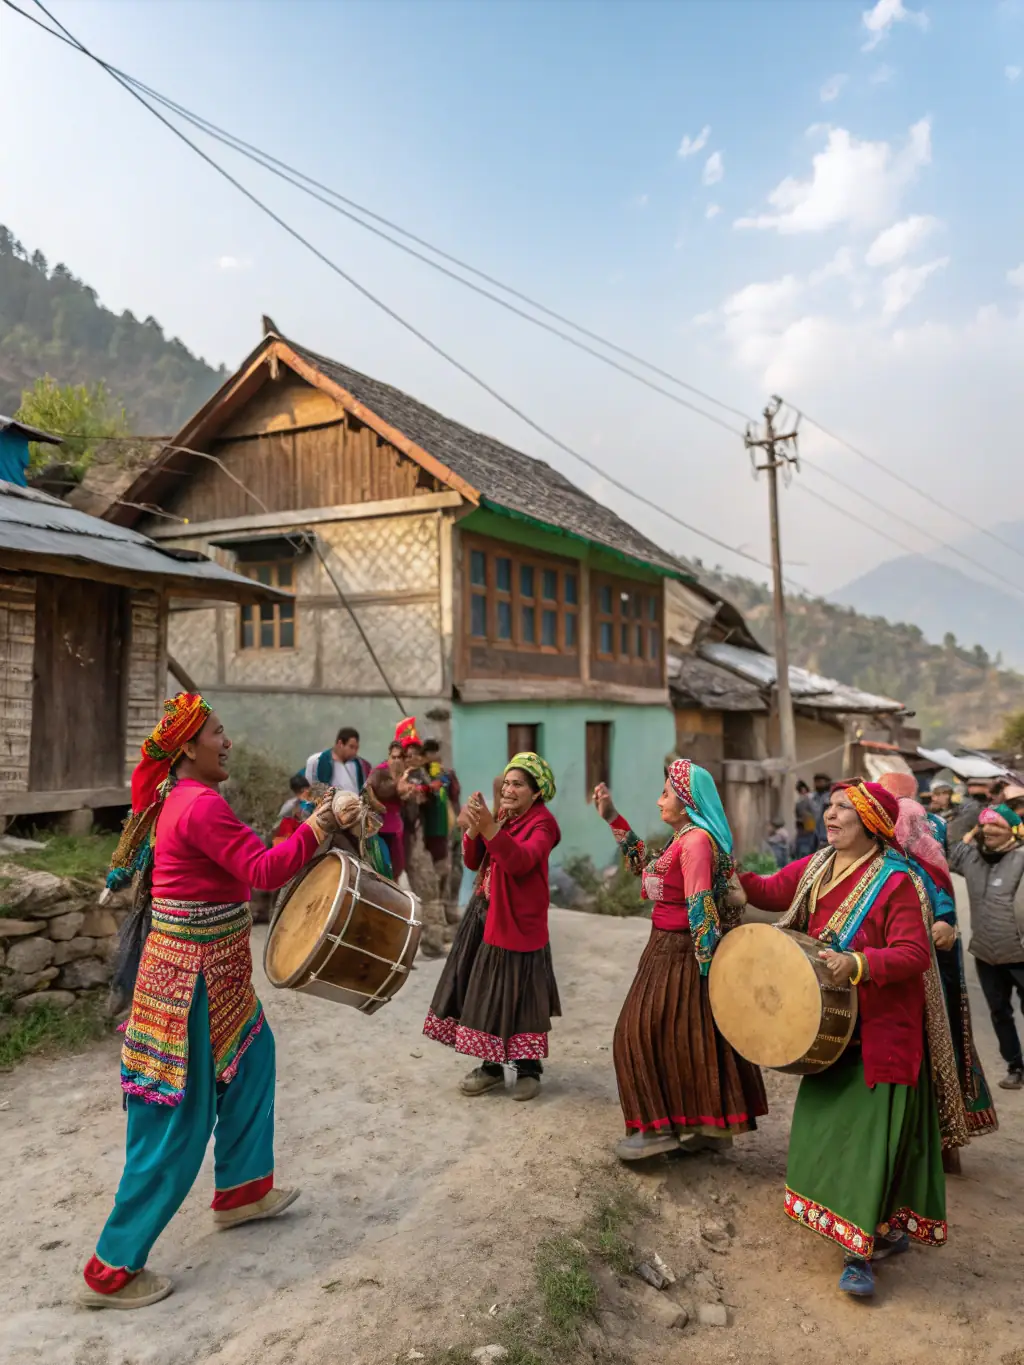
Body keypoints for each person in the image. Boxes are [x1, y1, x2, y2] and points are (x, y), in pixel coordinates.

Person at [78, 694, 333, 1310]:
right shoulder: (199, 806)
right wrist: (319, 827)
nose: (228, 741)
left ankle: (243, 1190)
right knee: (175, 1122)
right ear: (189, 747)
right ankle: (111, 1268)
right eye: (219, 733)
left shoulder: (183, 799)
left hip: (214, 970)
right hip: (189, 979)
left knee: (253, 1060)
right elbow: (266, 870)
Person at [737, 780, 967, 1298]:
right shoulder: (819, 865)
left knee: (867, 1149)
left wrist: (858, 963)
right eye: (831, 806)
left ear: (871, 823)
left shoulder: (897, 883)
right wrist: (736, 878)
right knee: (827, 1138)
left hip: (882, 1032)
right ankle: (879, 1229)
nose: (830, 814)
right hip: (830, 1030)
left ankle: (859, 1254)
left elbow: (914, 953)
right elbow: (776, 891)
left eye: (843, 808)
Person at [594, 759, 768, 1161]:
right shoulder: (684, 839)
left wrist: (709, 968)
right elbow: (645, 866)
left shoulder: (694, 844)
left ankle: (654, 1132)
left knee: (633, 1036)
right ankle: (708, 1129)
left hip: (678, 952)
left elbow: (700, 905)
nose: (659, 801)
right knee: (689, 1039)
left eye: (666, 793)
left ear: (687, 802)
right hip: (671, 948)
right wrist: (612, 817)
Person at [423, 752, 561, 1101]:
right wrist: (473, 828)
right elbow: (473, 861)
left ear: (536, 792)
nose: (510, 790)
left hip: (520, 922)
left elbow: (519, 862)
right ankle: (492, 1066)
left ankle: (528, 1067)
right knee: (484, 988)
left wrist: (488, 827)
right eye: (507, 782)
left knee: (522, 992)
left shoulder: (543, 825)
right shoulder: (502, 816)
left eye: (518, 784)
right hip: (485, 913)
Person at [879, 772, 998, 1166]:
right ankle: (944, 1139)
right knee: (937, 1034)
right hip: (918, 948)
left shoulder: (909, 840)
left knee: (931, 1035)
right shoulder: (927, 833)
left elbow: (937, 899)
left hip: (924, 953)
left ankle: (936, 1137)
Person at [947, 803, 1024, 1091]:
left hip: (1020, 952)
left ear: (1013, 831)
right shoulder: (973, 859)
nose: (989, 831)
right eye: (985, 826)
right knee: (999, 1012)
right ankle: (1015, 1066)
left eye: (997, 826)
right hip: (986, 952)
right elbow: (951, 848)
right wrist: (971, 815)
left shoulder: (1021, 857)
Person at [422, 736, 463, 940]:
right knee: (439, 873)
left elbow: (454, 799)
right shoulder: (424, 777)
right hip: (434, 832)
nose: (435, 757)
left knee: (454, 871)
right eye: (431, 753)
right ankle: (437, 922)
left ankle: (450, 912)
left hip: (453, 827)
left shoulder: (446, 774)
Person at [305, 726, 372, 795]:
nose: (354, 752)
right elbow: (313, 789)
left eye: (356, 748)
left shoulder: (359, 764)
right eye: (351, 747)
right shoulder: (319, 761)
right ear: (340, 744)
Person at [947, 776, 992, 844]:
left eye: (975, 785)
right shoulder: (967, 803)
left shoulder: (979, 808)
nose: (971, 787)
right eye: (970, 785)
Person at [273, 772, 314, 844]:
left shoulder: (305, 804)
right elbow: (277, 826)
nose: (308, 792)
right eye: (306, 790)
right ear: (302, 790)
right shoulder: (290, 806)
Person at [793, 780, 818, 859]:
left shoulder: (808, 799)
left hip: (808, 828)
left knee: (806, 852)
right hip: (805, 828)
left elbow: (815, 812)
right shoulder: (805, 799)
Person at [810, 773, 833, 849]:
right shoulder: (813, 797)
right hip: (815, 834)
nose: (817, 784)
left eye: (820, 782)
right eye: (816, 782)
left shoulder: (831, 795)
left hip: (827, 835)